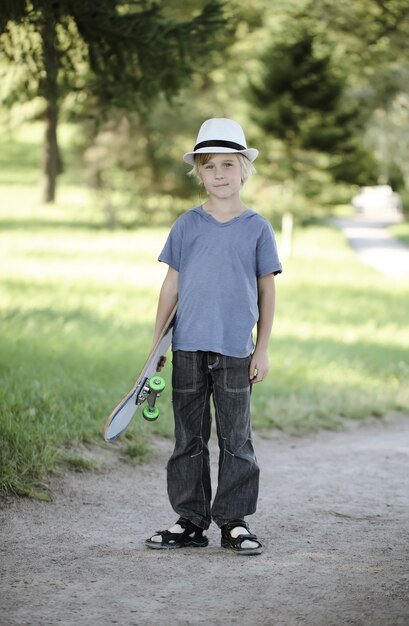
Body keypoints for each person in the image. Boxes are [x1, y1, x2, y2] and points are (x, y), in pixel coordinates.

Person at [145, 118, 282, 555]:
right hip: (186, 347)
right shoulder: (186, 225)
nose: (219, 174)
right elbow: (171, 285)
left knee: (236, 439)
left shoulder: (257, 227)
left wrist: (262, 348)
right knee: (188, 437)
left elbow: (267, 289)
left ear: (244, 170)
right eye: (209, 166)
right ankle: (190, 521)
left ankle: (234, 522)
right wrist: (156, 347)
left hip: (237, 350)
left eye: (228, 165)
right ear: (198, 173)